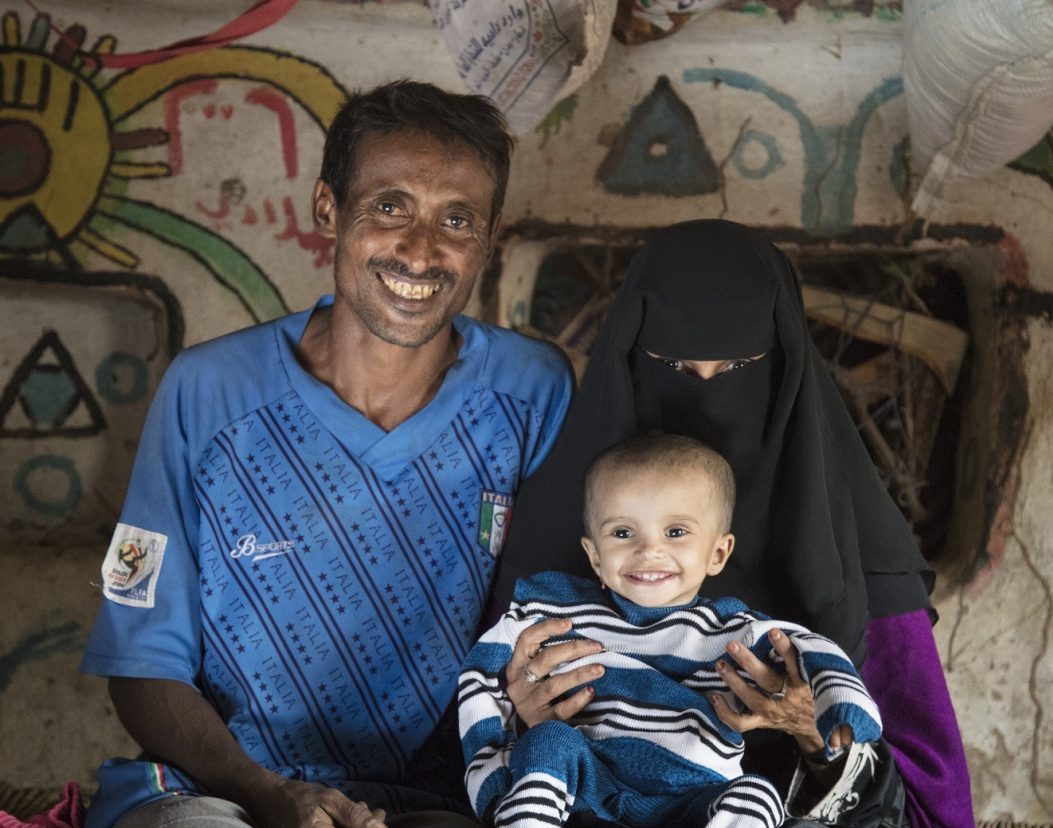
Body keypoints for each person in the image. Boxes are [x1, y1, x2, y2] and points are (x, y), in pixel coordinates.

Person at [78, 81, 574, 828]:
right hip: (217, 793)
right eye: (389, 206)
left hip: (442, 798)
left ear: (490, 237)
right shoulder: (208, 393)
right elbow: (140, 662)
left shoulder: (531, 391)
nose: (420, 249)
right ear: (327, 209)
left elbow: (555, 625)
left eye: (457, 219)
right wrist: (269, 794)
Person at [492, 220, 974, 827]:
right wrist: (521, 719)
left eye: (740, 368)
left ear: (786, 372)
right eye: (672, 366)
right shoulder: (557, 544)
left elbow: (935, 809)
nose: (706, 399)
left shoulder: (862, 562)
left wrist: (817, 737)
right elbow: (474, 746)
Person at [459, 434, 884, 828]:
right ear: (594, 555)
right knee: (548, 741)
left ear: (718, 552)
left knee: (757, 795)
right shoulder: (553, 607)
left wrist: (840, 698)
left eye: (676, 532)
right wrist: (492, 777)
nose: (649, 550)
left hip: (691, 798)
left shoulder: (731, 628)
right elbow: (480, 677)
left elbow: (808, 646)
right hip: (587, 785)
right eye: (623, 532)